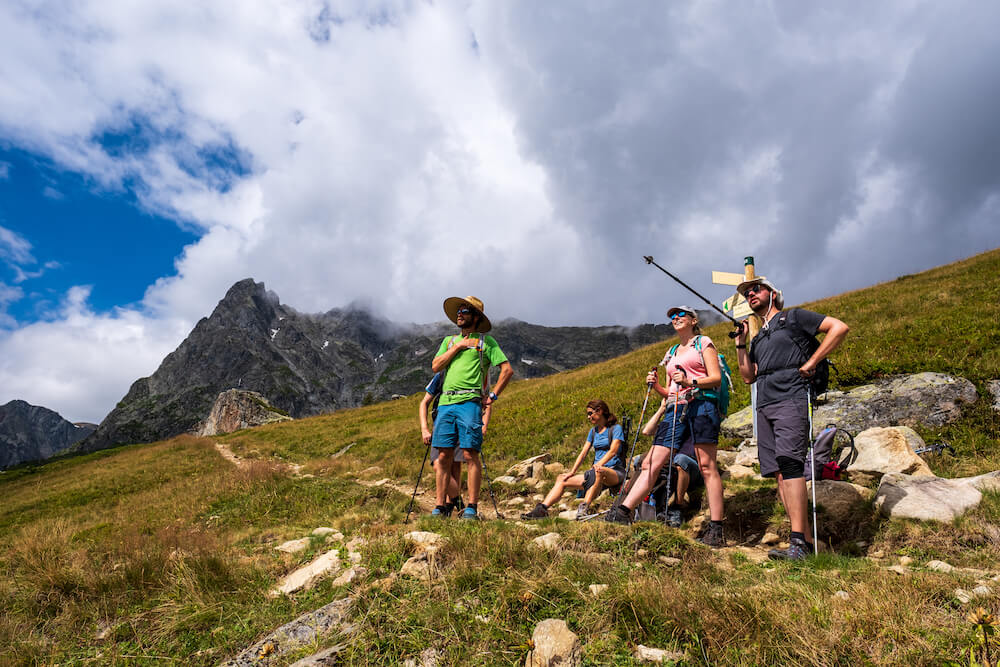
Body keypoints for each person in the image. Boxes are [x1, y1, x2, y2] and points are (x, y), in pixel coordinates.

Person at [733, 278, 849, 560]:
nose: (750, 294)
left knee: (790, 464)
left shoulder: (794, 317)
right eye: (747, 293)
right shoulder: (760, 337)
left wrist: (811, 363)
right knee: (778, 471)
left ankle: (799, 543)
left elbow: (839, 328)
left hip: (792, 398)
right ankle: (804, 543)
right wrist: (741, 344)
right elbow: (749, 376)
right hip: (765, 404)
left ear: (772, 294)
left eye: (756, 290)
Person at [606, 306, 727, 548]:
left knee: (706, 465)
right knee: (652, 461)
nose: (676, 319)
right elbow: (672, 392)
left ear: (693, 320)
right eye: (672, 316)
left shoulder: (703, 343)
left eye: (681, 315)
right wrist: (657, 386)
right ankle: (624, 511)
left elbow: (715, 378)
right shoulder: (671, 352)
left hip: (702, 405)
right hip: (675, 409)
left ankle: (716, 528)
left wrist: (691, 380)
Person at [431, 296, 513, 520]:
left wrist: (492, 396)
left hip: (470, 402)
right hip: (446, 402)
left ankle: (472, 507)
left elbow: (507, 370)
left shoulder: (487, 343)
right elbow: (436, 366)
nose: (460, 313)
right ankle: (441, 506)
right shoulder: (448, 341)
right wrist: (458, 346)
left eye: (465, 310)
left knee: (470, 453)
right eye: (459, 310)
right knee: (444, 455)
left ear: (476, 317)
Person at [521, 399, 626, 520]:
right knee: (562, 478)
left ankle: (584, 509)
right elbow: (583, 453)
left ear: (600, 411)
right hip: (595, 472)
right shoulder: (593, 432)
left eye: (590, 413)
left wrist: (599, 464)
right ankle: (541, 510)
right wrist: (572, 472)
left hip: (614, 472)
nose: (588, 417)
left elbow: (613, 450)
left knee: (599, 471)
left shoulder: (616, 429)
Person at [418, 371, 493, 517]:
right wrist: (424, 429)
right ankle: (457, 503)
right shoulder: (441, 376)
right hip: (443, 421)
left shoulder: (474, 374)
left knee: (455, 465)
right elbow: (424, 402)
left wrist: (484, 425)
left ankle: (448, 505)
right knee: (439, 462)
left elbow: (486, 400)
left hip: (465, 419)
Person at [635, 397, 704, 527]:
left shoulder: (694, 422)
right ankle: (649, 504)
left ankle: (677, 507)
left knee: (680, 460)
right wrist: (662, 410)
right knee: (642, 460)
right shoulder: (672, 425)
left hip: (691, 468)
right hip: (670, 469)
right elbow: (647, 431)